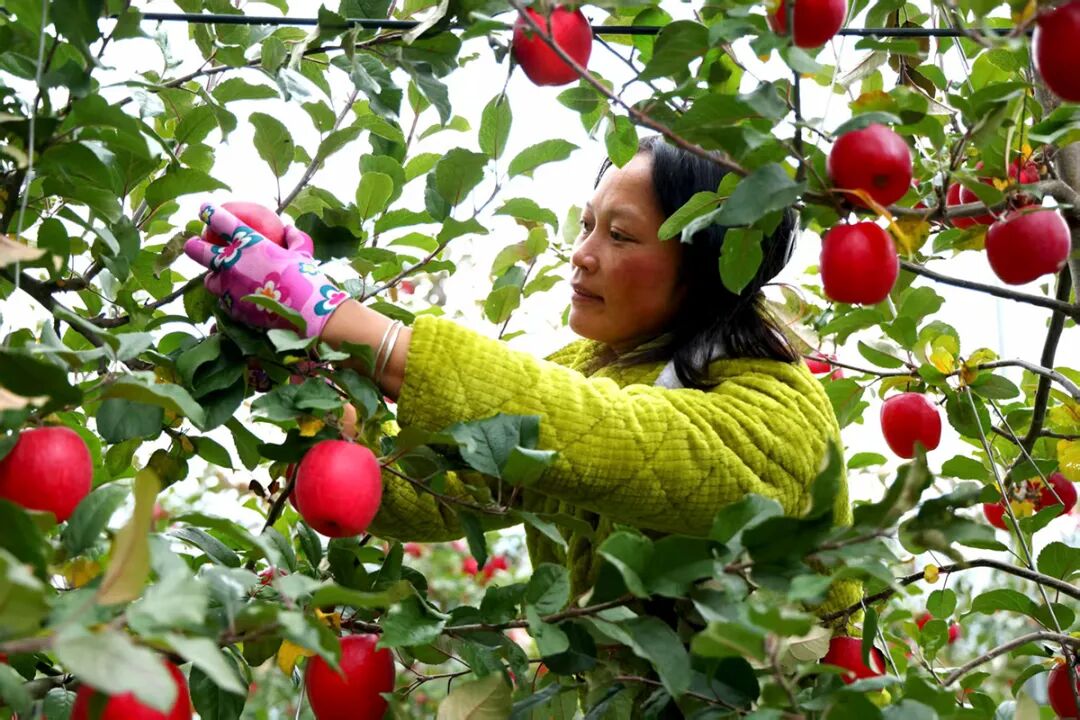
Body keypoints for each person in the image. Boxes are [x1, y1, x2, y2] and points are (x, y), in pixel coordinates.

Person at [184, 135, 860, 713]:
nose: (582, 254)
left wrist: (345, 319)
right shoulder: (594, 368)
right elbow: (427, 488)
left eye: (619, 235)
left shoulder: (781, 415)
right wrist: (320, 376)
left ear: (709, 264)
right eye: (587, 224)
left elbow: (609, 438)